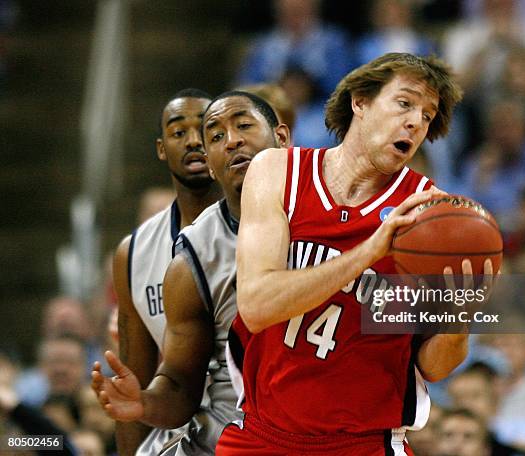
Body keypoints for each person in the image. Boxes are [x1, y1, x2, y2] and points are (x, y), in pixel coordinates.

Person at [220, 52, 494, 455]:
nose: (416, 122)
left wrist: (459, 318)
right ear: (360, 101)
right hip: (262, 435)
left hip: (363, 442)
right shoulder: (277, 172)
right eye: (405, 103)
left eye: (427, 115)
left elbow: (434, 367)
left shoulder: (431, 218)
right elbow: (257, 304)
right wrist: (369, 251)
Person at [91, 92, 290, 454]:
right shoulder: (184, 254)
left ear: (282, 137)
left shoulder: (342, 212)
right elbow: (173, 383)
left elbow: (416, 348)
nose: (230, 140)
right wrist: (142, 405)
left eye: (243, 126)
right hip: (219, 430)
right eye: (216, 135)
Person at [107, 88, 222, 455]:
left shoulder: (260, 226)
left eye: (205, 131)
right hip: (182, 423)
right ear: (161, 149)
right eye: (178, 132)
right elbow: (134, 382)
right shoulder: (133, 253)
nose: (193, 141)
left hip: (258, 422)